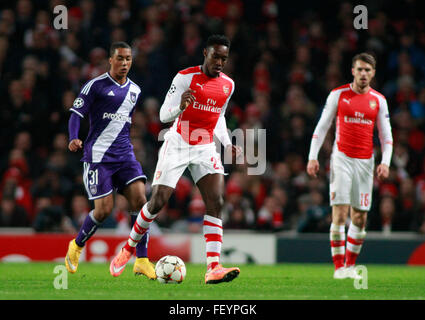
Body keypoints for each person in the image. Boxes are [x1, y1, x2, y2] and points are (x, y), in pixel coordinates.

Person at [109, 35, 242, 284]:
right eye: (216, 57)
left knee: (216, 201)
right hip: (178, 143)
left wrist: (227, 144)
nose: (220, 62)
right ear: (205, 53)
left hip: (205, 146)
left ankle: (213, 267)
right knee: (157, 202)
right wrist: (180, 107)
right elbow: (162, 114)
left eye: (224, 58)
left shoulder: (228, 85)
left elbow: (219, 116)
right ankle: (127, 249)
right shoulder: (185, 78)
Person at [64, 41, 155, 279]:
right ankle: (76, 246)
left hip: (125, 155)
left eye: (128, 59)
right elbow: (76, 114)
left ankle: (142, 260)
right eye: (120, 58)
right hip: (98, 157)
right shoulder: (95, 86)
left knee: (140, 200)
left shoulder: (135, 90)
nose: (124, 63)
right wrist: (74, 137)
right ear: (111, 60)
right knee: (104, 210)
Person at [306, 53, 393, 279]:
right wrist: (312, 157)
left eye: (368, 70)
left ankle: (350, 265)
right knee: (340, 213)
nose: (363, 74)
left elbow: (386, 135)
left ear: (373, 73)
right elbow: (322, 126)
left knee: (360, 218)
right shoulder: (338, 95)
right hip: (341, 158)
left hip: (365, 162)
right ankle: (339, 268)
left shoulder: (379, 100)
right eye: (360, 69)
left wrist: (385, 162)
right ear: (352, 71)